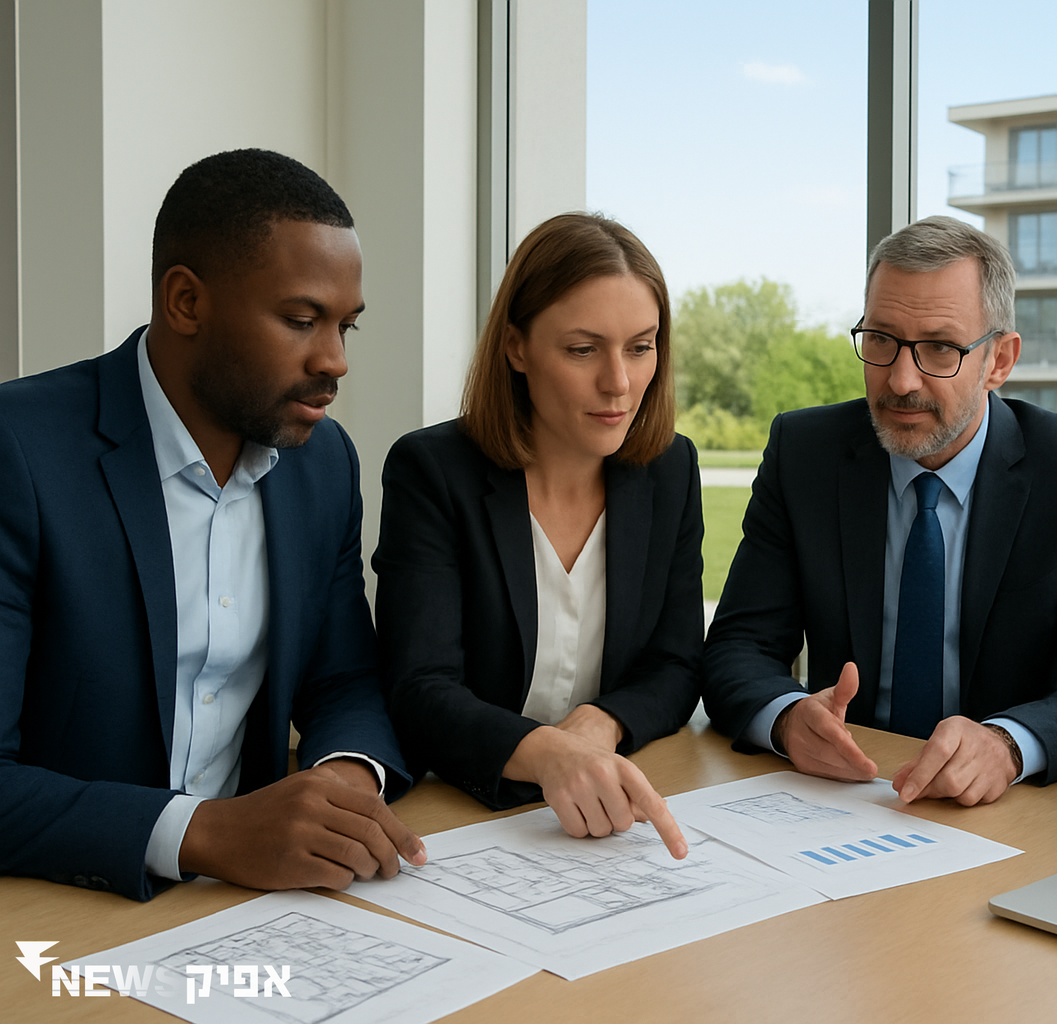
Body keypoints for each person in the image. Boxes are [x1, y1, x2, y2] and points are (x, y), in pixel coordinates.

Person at [0, 149, 423, 901]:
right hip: (59, 910)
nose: (334, 359)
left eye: (346, 327)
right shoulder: (19, 453)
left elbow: (343, 680)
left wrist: (344, 780)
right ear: (186, 302)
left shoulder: (323, 464)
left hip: (248, 910)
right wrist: (207, 832)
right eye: (301, 320)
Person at [702, 216, 1057, 805]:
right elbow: (738, 646)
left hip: (1008, 812)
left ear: (999, 360)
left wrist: (1009, 744)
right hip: (841, 796)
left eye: (939, 347)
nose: (901, 378)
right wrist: (788, 720)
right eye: (882, 340)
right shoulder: (805, 453)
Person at [374, 213, 699, 859]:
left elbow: (677, 663)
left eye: (641, 346)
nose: (621, 382)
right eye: (584, 350)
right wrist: (548, 753)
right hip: (465, 820)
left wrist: (599, 725)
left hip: (612, 818)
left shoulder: (670, 468)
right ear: (517, 347)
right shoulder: (432, 470)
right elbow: (419, 686)